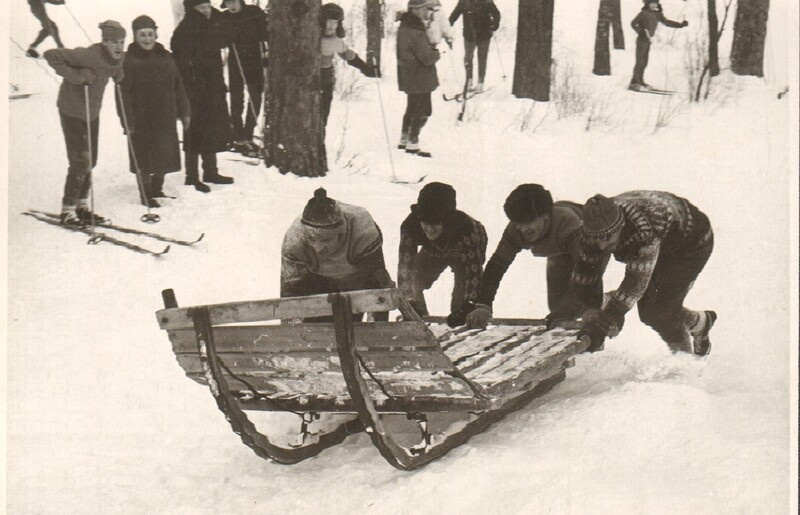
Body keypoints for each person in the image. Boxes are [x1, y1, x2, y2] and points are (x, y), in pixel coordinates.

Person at [572, 191, 716, 356]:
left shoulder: (643, 229)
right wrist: (591, 309)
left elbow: (635, 284)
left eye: (609, 238)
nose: (602, 246)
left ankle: (684, 363)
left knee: (657, 311)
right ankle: (700, 323)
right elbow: (586, 274)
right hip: (664, 236)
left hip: (690, 242)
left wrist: (606, 320)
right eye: (596, 241)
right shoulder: (590, 231)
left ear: (621, 226)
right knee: (652, 306)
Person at [461, 184, 602, 329]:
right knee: (557, 306)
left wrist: (593, 308)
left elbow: (589, 267)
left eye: (527, 223)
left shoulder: (569, 224)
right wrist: (483, 304)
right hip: (559, 250)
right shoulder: (516, 229)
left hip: (593, 245)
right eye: (518, 224)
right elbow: (497, 265)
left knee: (579, 304)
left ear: (545, 216)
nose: (522, 229)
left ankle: (607, 302)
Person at [44, 21, 126, 225]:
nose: (118, 46)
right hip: (72, 110)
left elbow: (115, 68)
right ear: (104, 42)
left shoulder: (117, 58)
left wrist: (118, 74)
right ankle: (68, 210)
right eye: (114, 42)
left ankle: (81, 207)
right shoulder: (88, 55)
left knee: (92, 160)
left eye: (122, 42)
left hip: (91, 112)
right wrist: (78, 76)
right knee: (81, 160)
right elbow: (51, 55)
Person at [281, 188, 394, 321]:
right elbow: (290, 298)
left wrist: (376, 333)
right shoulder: (295, 241)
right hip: (317, 283)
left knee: (353, 330)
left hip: (356, 282)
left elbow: (378, 289)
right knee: (317, 333)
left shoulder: (362, 230)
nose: (318, 248)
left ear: (341, 232)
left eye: (326, 240)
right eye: (312, 239)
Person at [116, 15, 190, 207]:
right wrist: (127, 121)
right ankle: (145, 193)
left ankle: (157, 188)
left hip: (165, 115)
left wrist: (184, 111)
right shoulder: (128, 60)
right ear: (134, 36)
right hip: (141, 118)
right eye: (142, 35)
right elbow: (123, 94)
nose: (147, 39)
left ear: (156, 35)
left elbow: (178, 84)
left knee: (164, 154)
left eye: (150, 34)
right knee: (144, 157)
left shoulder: (165, 56)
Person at [397, 183, 487, 323]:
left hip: (462, 251)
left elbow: (473, 274)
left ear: (447, 220)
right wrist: (409, 303)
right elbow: (405, 267)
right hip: (433, 249)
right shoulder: (410, 226)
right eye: (425, 223)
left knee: (460, 299)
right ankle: (420, 319)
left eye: (435, 223)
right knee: (416, 280)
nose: (429, 229)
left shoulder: (467, 230)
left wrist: (469, 304)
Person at [171, 0, 234, 193]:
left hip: (212, 88)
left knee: (211, 128)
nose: (207, 11)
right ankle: (192, 176)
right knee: (194, 131)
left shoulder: (210, 24)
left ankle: (210, 171)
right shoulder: (184, 30)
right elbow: (181, 61)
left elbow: (225, 39)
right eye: (202, 7)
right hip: (194, 90)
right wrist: (194, 84)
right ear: (192, 9)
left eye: (208, 6)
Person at [219, 0, 268, 156]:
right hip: (236, 59)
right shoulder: (224, 17)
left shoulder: (254, 13)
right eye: (228, 3)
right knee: (236, 98)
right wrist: (226, 38)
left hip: (254, 59)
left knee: (255, 97)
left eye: (233, 2)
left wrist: (266, 55)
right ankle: (238, 137)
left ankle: (248, 133)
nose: (231, 6)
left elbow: (265, 34)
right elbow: (219, 40)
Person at [319, 3, 377, 128]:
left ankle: (319, 144)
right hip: (311, 83)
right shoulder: (314, 37)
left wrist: (365, 68)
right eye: (329, 21)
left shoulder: (335, 41)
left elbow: (349, 56)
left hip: (326, 83)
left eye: (335, 23)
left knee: (323, 117)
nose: (331, 26)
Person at [397, 0, 440, 157]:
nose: (425, 12)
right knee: (424, 110)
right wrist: (436, 52)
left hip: (409, 75)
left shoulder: (405, 27)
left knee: (412, 107)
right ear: (413, 10)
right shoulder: (415, 30)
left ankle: (404, 139)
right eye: (422, 9)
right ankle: (413, 142)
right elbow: (427, 57)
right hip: (420, 77)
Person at [629, 0, 688, 91]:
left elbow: (667, 22)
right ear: (647, 4)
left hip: (648, 40)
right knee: (640, 61)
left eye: (655, 3)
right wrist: (641, 31)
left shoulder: (657, 14)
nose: (653, 5)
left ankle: (640, 81)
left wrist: (680, 25)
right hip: (641, 40)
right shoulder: (643, 13)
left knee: (644, 62)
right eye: (651, 3)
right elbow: (633, 23)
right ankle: (634, 83)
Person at [449, 0, 500, 93]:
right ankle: (469, 81)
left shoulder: (486, 1)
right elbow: (455, 14)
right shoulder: (464, 2)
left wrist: (494, 25)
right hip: (469, 35)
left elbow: (496, 13)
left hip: (484, 35)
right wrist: (447, 26)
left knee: (482, 58)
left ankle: (480, 83)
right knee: (468, 58)